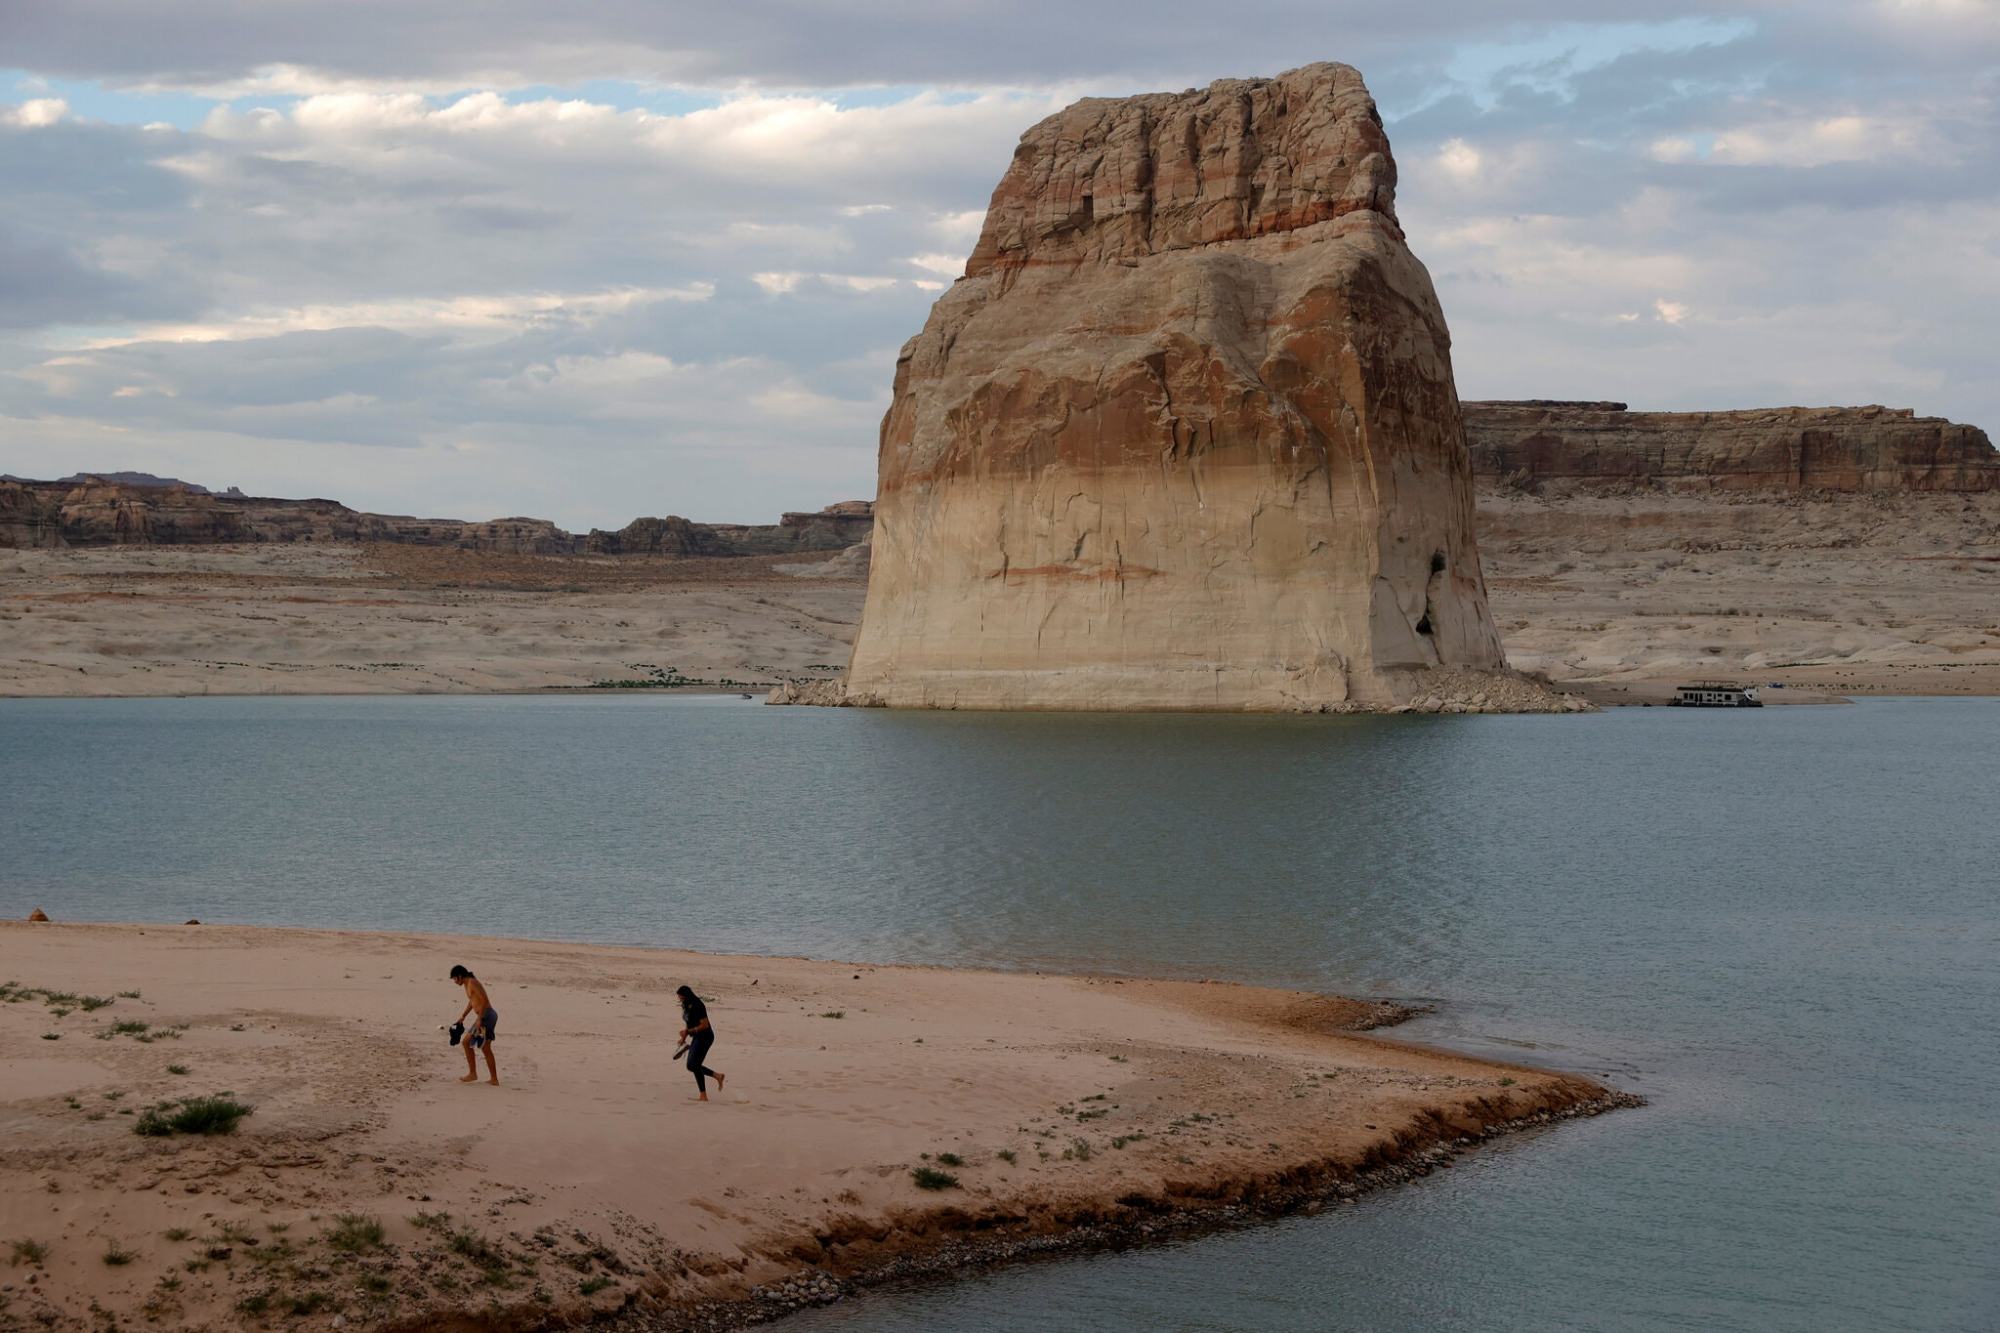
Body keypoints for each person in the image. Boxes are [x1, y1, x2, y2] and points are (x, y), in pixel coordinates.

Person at [450, 964, 499, 1085]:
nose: (455, 982)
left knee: (466, 1042)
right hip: (487, 1016)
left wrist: (479, 1019)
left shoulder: (472, 982)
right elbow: (472, 1001)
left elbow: (483, 1001)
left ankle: (473, 1074)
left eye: (455, 979)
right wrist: (463, 1016)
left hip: (486, 1016)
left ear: (460, 976)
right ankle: (494, 1080)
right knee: (486, 1048)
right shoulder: (467, 984)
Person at [676, 984, 724, 1101]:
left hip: (705, 1037)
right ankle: (717, 1076)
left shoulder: (698, 1005)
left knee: (694, 1065)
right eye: (679, 998)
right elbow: (688, 1022)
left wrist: (688, 1031)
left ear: (687, 996)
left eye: (681, 998)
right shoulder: (686, 1005)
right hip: (697, 1037)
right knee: (691, 1065)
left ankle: (703, 1095)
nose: (680, 1000)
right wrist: (684, 1037)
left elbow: (705, 1025)